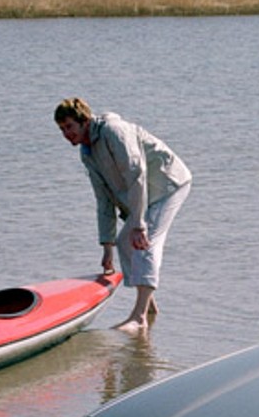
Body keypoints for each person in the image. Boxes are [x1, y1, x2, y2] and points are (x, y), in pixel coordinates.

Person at [54, 97, 191, 332]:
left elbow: (137, 174)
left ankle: (139, 318)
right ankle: (148, 307)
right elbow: (104, 199)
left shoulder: (114, 132)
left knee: (144, 244)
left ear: (84, 120)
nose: (66, 134)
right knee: (124, 243)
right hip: (145, 195)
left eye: (69, 126)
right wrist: (107, 245)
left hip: (168, 185)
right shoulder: (87, 153)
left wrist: (138, 224)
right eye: (61, 129)